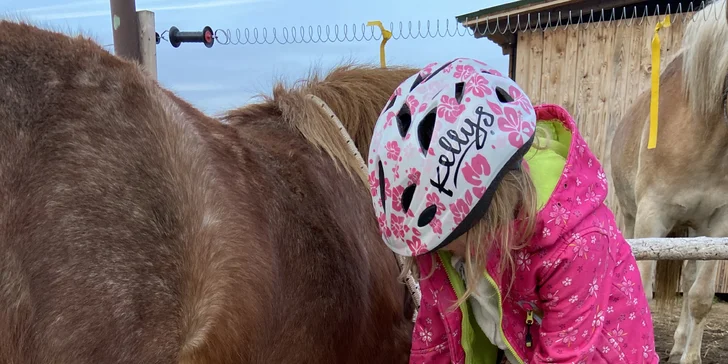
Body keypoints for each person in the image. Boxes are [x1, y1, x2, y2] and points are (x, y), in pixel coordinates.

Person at [366, 57, 658, 364]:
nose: (447, 258)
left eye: (451, 247)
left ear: (489, 212)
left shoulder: (577, 244)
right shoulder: (443, 236)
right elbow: (436, 334)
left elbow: (565, 357)